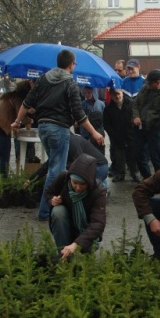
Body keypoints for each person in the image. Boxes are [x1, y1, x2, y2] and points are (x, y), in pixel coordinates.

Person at [14, 49, 105, 221]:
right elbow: (79, 114)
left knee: (54, 166)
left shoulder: (43, 79)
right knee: (56, 172)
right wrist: (94, 133)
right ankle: (45, 212)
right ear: (71, 65)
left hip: (43, 128)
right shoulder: (70, 83)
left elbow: (27, 103)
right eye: (75, 64)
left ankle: (55, 205)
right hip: (59, 129)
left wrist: (17, 122)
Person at [44, 154, 107, 261]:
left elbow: (98, 223)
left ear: (89, 182)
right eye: (75, 183)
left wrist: (77, 244)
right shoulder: (63, 178)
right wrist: (52, 200)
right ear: (70, 179)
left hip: (86, 231)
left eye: (82, 184)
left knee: (84, 257)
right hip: (67, 225)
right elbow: (48, 192)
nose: (78, 187)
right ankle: (63, 254)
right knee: (58, 211)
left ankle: (78, 250)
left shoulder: (98, 191)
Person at [0, 79, 32, 176]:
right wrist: (29, 120)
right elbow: (21, 116)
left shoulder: (6, 96)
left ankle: (0, 179)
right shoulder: (18, 99)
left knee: (0, 157)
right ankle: (4, 181)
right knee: (4, 158)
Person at [133, 69, 160, 176]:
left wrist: (149, 119)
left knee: (156, 157)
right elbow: (136, 104)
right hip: (140, 127)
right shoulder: (145, 88)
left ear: (158, 82)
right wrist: (136, 116)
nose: (148, 85)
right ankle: (147, 178)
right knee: (138, 154)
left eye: (151, 83)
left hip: (155, 129)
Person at [122, 59, 146, 180]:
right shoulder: (123, 82)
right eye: (128, 68)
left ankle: (141, 170)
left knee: (140, 148)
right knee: (129, 147)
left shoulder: (145, 82)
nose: (130, 71)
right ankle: (132, 170)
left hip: (140, 121)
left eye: (132, 68)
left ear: (139, 67)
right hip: (126, 120)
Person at [103, 87, 134, 182]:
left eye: (118, 93)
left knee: (132, 155)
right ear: (111, 96)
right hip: (117, 136)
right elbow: (106, 124)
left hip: (131, 135)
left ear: (122, 93)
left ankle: (134, 173)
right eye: (114, 94)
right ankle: (120, 174)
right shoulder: (108, 108)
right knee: (119, 156)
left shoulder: (131, 104)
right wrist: (113, 134)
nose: (117, 96)